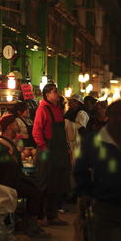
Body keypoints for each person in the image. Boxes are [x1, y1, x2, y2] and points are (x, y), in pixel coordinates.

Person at [74, 100, 121, 241]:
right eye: (116, 114)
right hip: (105, 207)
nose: (120, 118)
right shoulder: (94, 141)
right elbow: (80, 170)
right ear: (109, 116)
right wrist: (85, 192)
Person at [0, 114, 49, 238]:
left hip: (15, 179)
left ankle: (32, 223)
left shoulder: (9, 142)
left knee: (37, 186)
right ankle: (31, 227)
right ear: (10, 126)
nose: (17, 126)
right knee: (35, 192)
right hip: (9, 182)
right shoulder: (3, 143)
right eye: (15, 123)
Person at [32, 83, 71, 226]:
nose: (57, 94)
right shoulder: (43, 109)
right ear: (47, 94)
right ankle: (40, 217)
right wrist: (43, 148)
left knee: (56, 185)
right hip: (47, 152)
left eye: (57, 91)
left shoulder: (58, 109)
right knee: (44, 185)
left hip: (59, 152)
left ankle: (52, 215)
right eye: (55, 91)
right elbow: (36, 131)